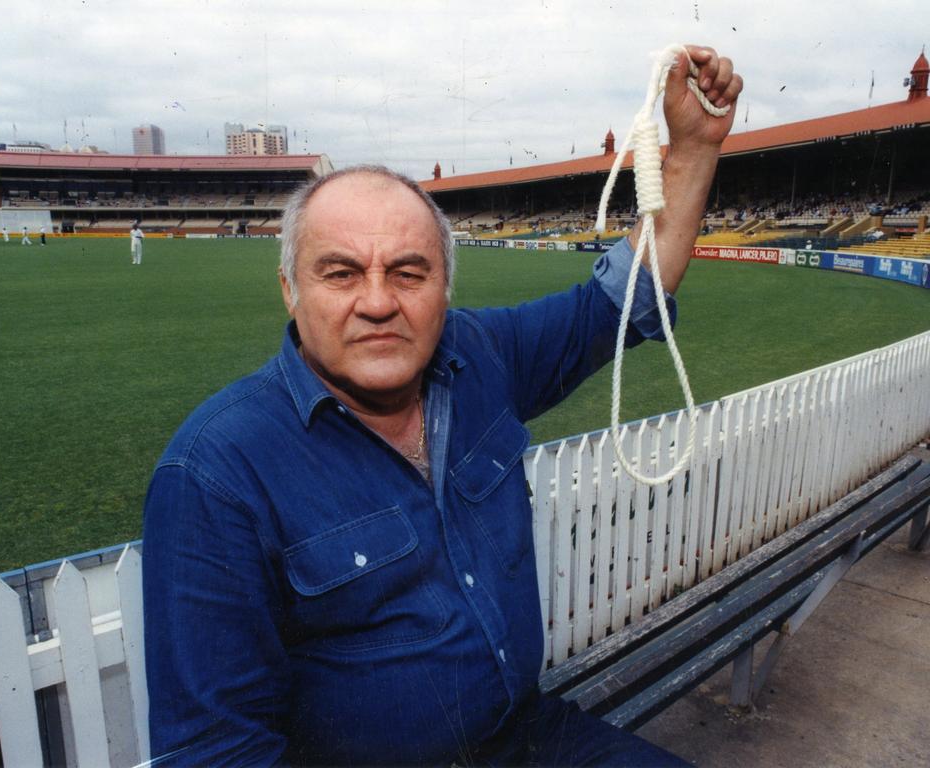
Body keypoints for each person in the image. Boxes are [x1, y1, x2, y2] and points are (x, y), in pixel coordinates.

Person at [143, 45, 741, 766]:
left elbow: (621, 303)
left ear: (444, 289)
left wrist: (693, 150)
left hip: (527, 739)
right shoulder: (217, 471)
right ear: (289, 291)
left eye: (408, 271)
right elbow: (216, 752)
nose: (377, 302)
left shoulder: (480, 355)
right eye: (340, 273)